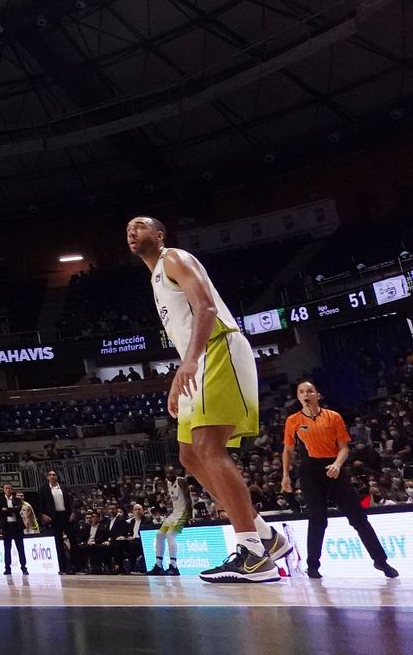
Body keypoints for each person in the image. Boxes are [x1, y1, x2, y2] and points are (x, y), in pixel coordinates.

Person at [127, 215, 291, 582]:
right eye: (127, 230)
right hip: (198, 359)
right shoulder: (155, 278)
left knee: (208, 446)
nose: (131, 232)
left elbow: (208, 308)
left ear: (159, 234)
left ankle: (253, 554)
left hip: (218, 349)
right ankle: (266, 536)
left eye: (139, 226)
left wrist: (189, 362)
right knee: (189, 454)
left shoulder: (175, 258)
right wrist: (179, 374)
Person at [281, 379, 398, 579]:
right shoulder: (293, 420)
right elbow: (288, 449)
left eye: (309, 390)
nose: (306, 394)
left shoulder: (333, 417)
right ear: (298, 397)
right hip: (310, 471)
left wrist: (337, 464)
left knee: (358, 518)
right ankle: (313, 566)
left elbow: (344, 446)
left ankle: (381, 561)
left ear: (318, 395)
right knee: (317, 519)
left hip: (334, 467)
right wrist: (285, 475)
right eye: (301, 391)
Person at [148, 468, 190, 576]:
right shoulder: (168, 483)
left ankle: (174, 566)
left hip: (183, 512)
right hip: (175, 512)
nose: (169, 475)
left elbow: (188, 498)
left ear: (176, 473)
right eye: (167, 473)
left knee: (170, 534)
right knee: (159, 535)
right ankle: (158, 565)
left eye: (171, 473)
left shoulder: (181, 481)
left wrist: (190, 516)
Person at [35, 469, 73, 574]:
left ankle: (75, 566)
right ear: (47, 477)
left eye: (54, 474)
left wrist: (73, 512)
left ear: (57, 476)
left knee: (72, 540)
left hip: (66, 515)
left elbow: (70, 502)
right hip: (54, 517)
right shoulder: (44, 489)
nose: (52, 476)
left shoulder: (63, 487)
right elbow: (40, 504)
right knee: (59, 542)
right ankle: (63, 567)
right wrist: (43, 514)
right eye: (50, 475)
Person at [0, 483, 26, 575]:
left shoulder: (17, 499)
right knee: (7, 548)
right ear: (3, 490)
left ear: (12, 489)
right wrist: (12, 509)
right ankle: (7, 568)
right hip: (6, 526)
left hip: (16, 526)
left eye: (9, 488)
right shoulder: (0, 500)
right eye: (6, 488)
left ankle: (24, 568)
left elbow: (18, 509)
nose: (8, 490)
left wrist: (7, 510)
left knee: (20, 548)